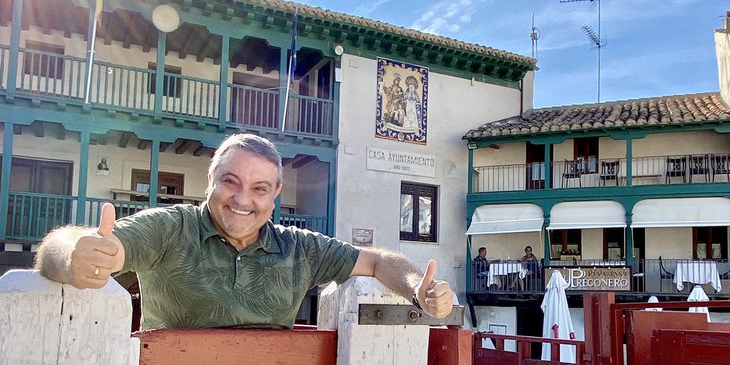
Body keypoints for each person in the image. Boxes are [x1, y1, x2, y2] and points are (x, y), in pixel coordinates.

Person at [35, 133, 454, 330]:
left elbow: (379, 261)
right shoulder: (170, 228)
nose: (242, 199)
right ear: (210, 181)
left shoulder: (299, 248)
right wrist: (74, 256)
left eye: (258, 189)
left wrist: (419, 288)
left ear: (274, 196)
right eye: (231, 182)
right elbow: (63, 243)